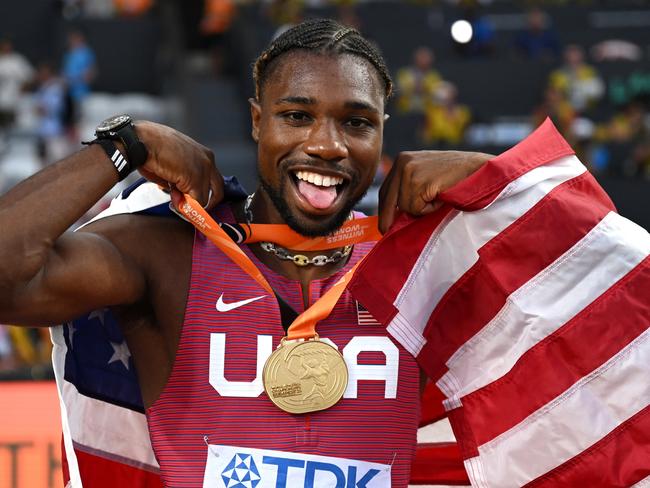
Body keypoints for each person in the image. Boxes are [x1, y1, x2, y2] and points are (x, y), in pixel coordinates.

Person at [0, 19, 491, 487]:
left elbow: (566, 314)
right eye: (297, 116)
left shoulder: (422, 262)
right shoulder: (170, 252)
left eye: (357, 122)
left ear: (382, 131)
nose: (327, 145)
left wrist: (501, 184)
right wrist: (125, 145)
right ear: (258, 120)